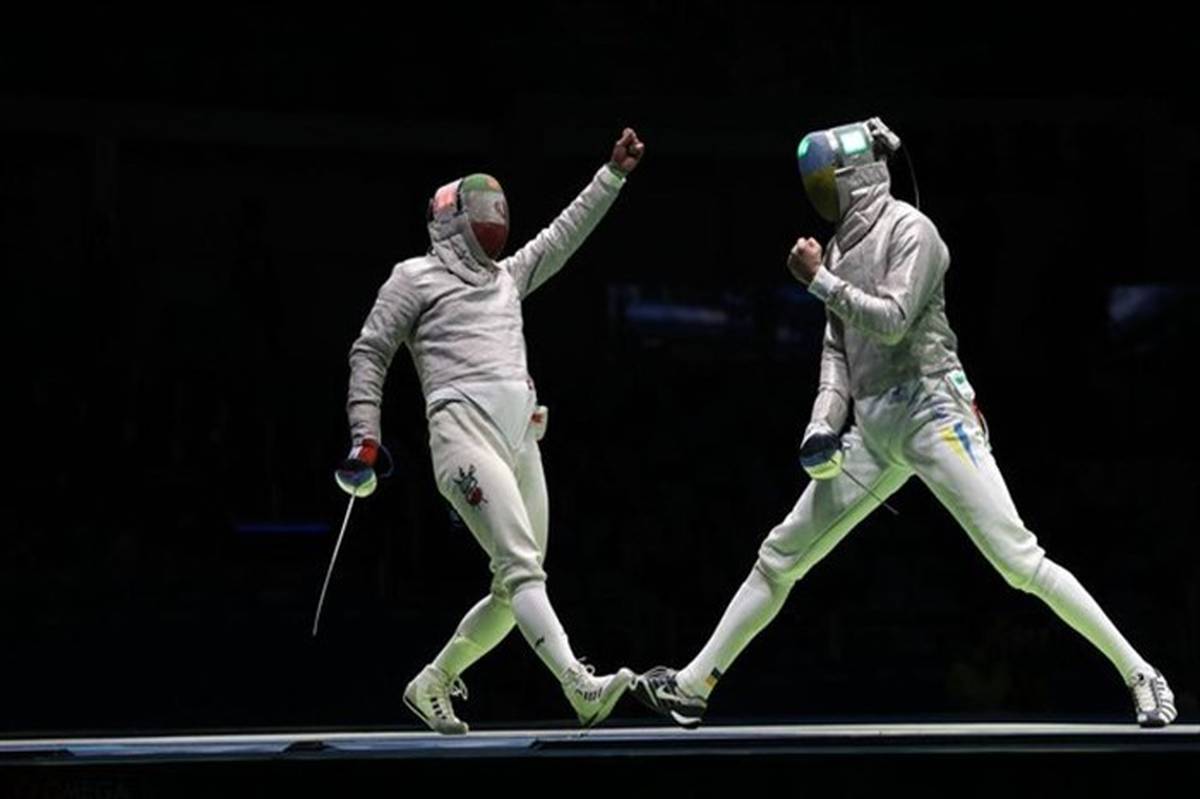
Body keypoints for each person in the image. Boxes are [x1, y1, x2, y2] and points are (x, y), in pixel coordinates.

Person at [631, 117, 1177, 729]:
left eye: (824, 180)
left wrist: (819, 280)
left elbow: (892, 320)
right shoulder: (840, 250)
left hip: (934, 412)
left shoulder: (912, 230)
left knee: (1018, 560)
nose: (818, 193)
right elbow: (837, 353)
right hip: (872, 427)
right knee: (781, 555)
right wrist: (821, 426)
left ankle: (1140, 672)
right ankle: (693, 686)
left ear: (855, 175)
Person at [337, 129, 646, 733]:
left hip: (520, 439)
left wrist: (612, 175)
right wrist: (364, 436)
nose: (494, 220)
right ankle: (578, 686)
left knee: (513, 588)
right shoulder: (414, 277)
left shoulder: (507, 277)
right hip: (463, 438)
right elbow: (370, 351)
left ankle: (433, 681)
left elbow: (563, 234)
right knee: (523, 568)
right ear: (453, 220)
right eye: (483, 211)